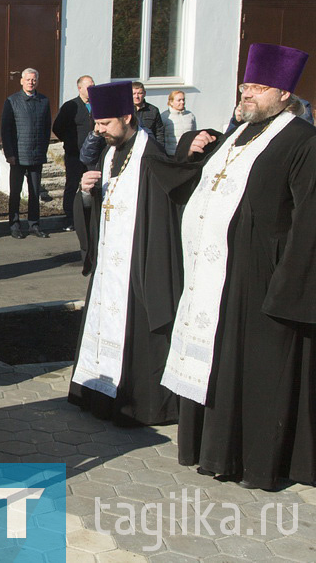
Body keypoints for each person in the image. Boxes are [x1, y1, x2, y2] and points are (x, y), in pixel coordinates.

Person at [155, 43, 316, 491]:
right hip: (216, 276)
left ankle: (253, 464)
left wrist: (288, 288)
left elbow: (310, 220)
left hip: (262, 281)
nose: (247, 94)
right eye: (245, 85)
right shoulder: (238, 134)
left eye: (258, 87)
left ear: (285, 93)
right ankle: (212, 452)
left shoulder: (303, 140)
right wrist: (194, 151)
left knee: (254, 375)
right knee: (216, 367)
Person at [67, 81, 181, 427]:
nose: (99, 131)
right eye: (96, 124)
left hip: (137, 265)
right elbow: (104, 205)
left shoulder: (153, 157)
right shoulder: (110, 152)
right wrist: (86, 194)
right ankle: (97, 395)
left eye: (105, 124)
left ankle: (135, 405)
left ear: (127, 117)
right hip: (109, 266)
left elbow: (163, 220)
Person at [1, 68, 51, 238]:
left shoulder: (44, 101)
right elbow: (6, 130)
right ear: (21, 81)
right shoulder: (12, 101)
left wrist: (43, 149)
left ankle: (34, 225)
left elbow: (46, 128)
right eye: (28, 79)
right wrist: (9, 153)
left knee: (35, 192)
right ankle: (14, 225)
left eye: (34, 79)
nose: (31, 82)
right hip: (18, 156)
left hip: (36, 155)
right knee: (15, 192)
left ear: (37, 81)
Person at [53, 75, 95, 230]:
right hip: (75, 154)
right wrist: (70, 142)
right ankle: (70, 217)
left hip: (94, 155)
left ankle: (90, 216)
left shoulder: (98, 105)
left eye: (93, 85)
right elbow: (57, 127)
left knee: (92, 186)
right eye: (89, 86)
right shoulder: (71, 106)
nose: (92, 89)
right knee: (72, 185)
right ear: (80, 88)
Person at [159, 90, 196, 157]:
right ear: (171, 102)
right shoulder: (165, 117)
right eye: (179, 100)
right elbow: (161, 137)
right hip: (171, 154)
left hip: (187, 154)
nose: (182, 102)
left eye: (183, 100)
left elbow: (194, 134)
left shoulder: (190, 115)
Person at [132, 81, 166, 146]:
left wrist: (159, 149)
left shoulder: (153, 110)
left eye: (140, 93)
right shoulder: (126, 111)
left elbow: (159, 132)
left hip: (148, 146)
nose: (136, 96)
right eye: (133, 93)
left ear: (144, 94)